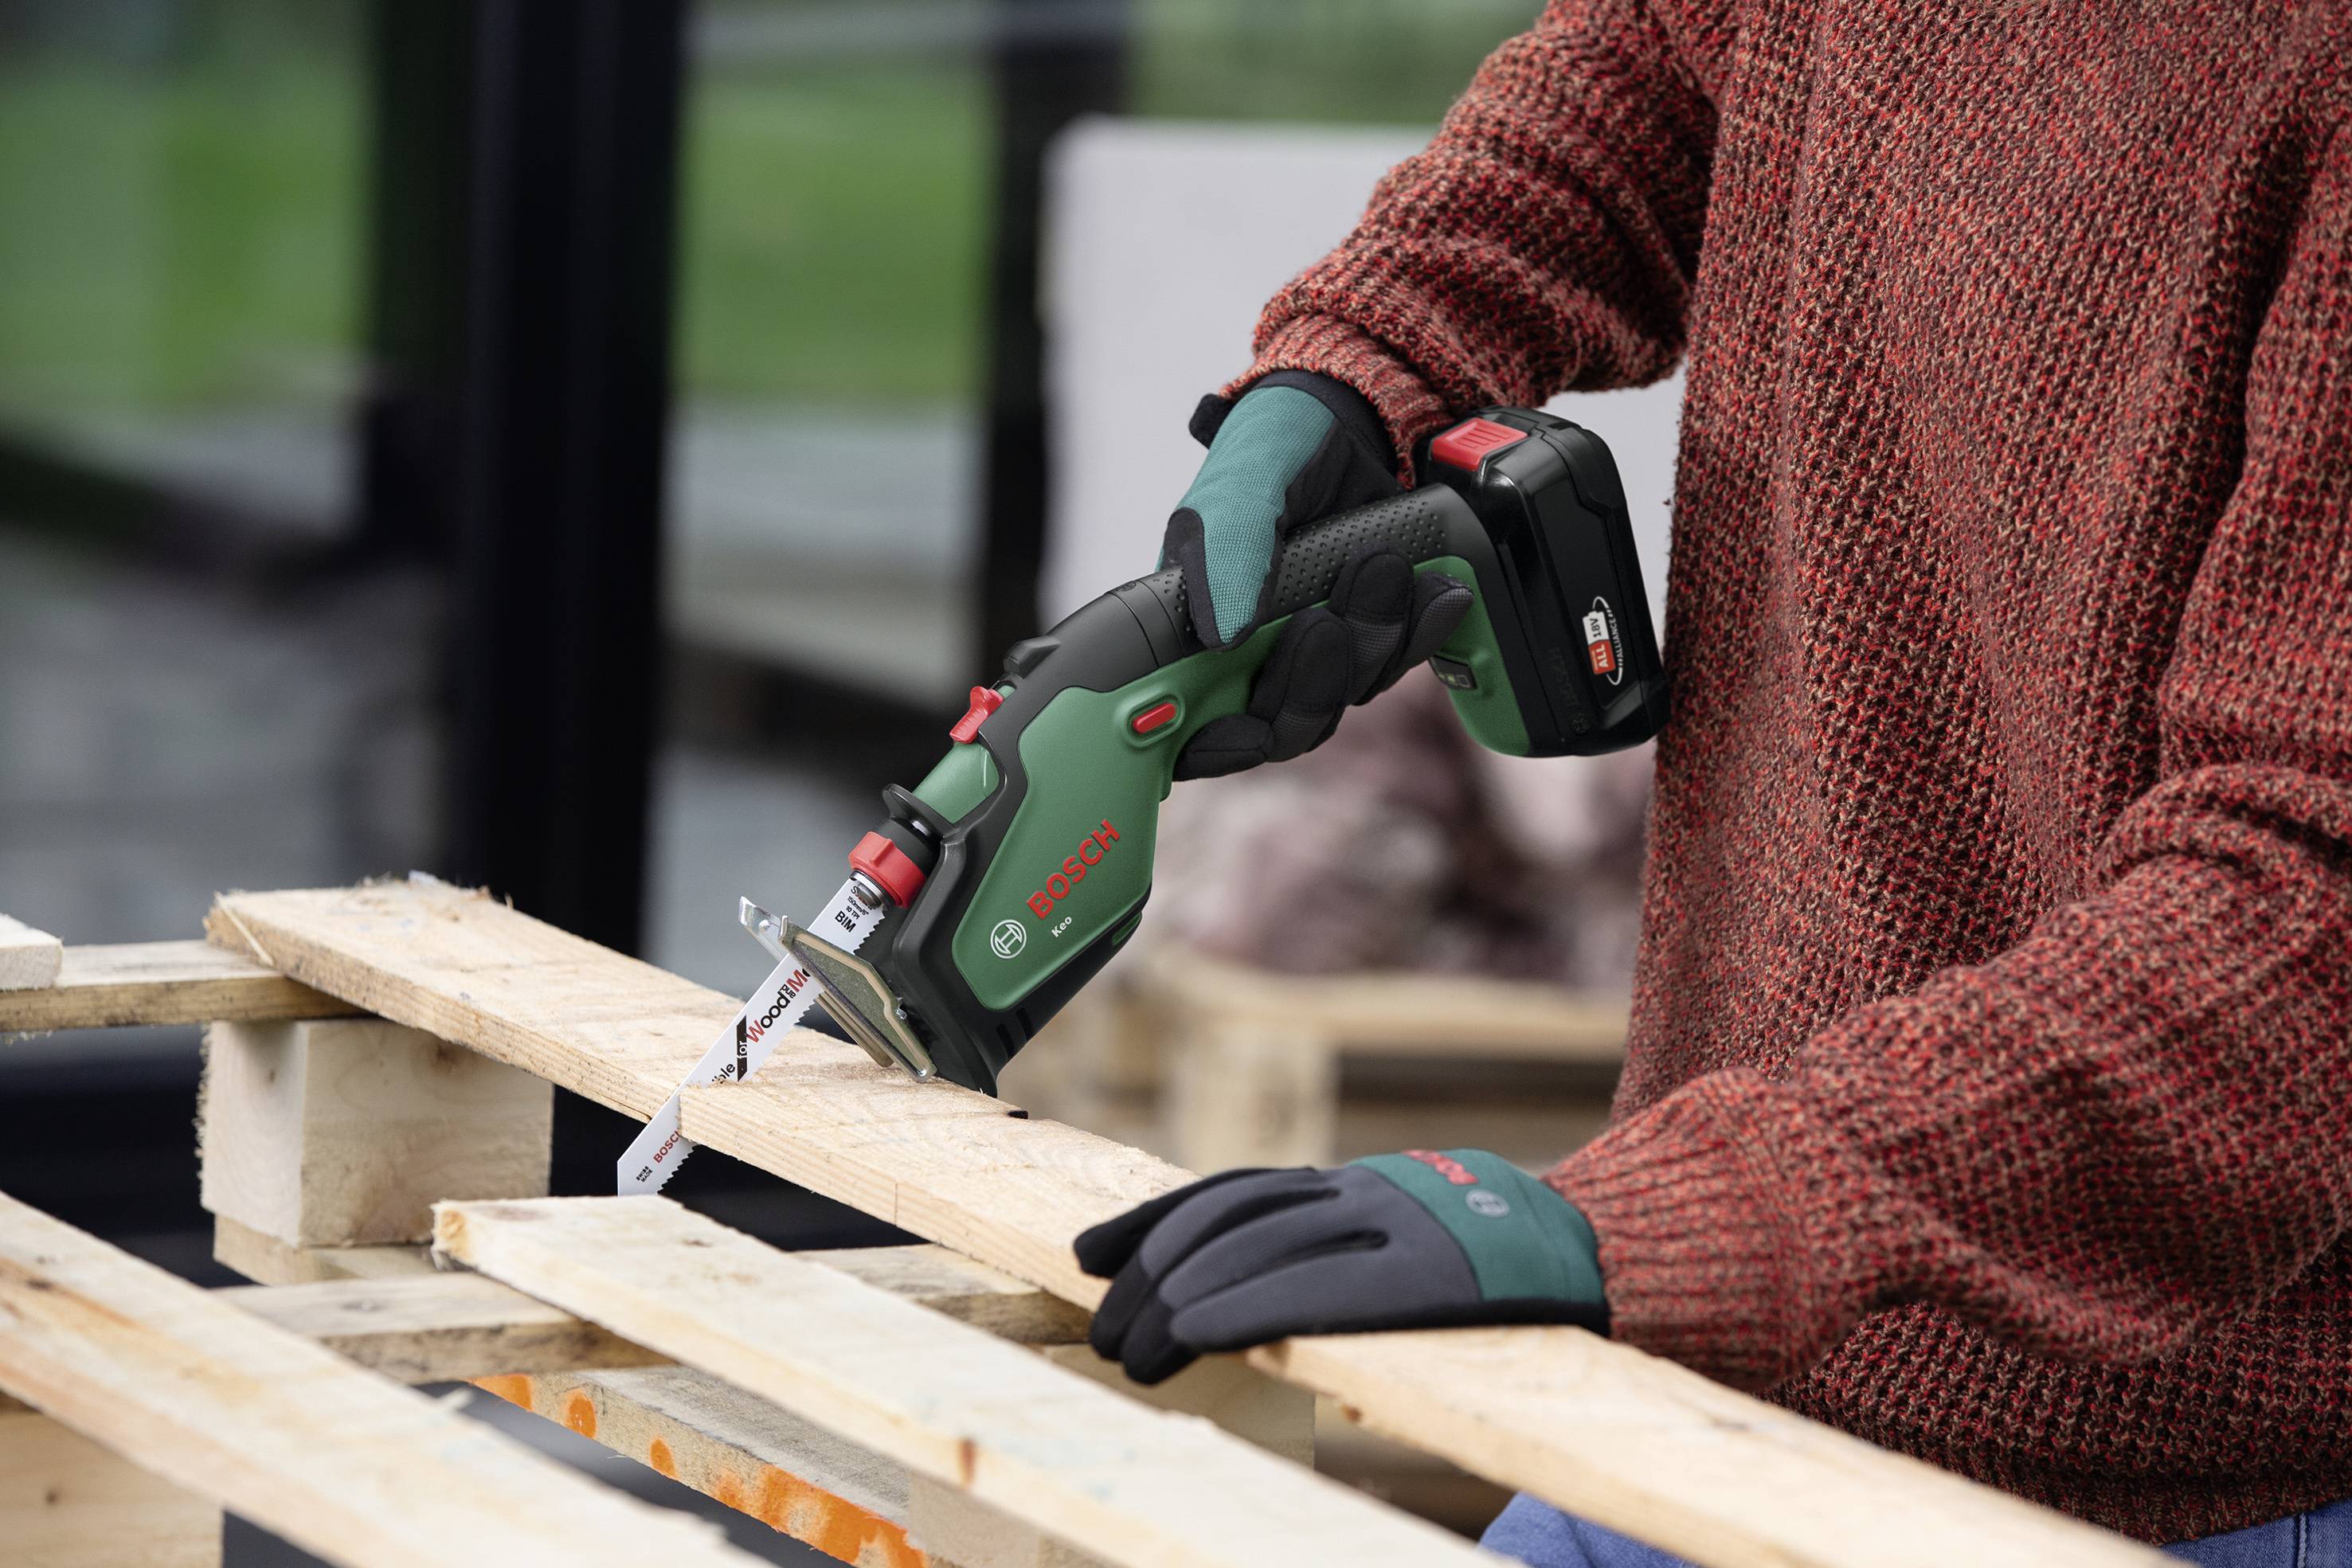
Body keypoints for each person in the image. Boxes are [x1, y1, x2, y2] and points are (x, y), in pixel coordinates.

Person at [1070, 2, 2352, 1563]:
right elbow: (1667, 62)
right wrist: (1374, 357)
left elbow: (2311, 928)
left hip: (2163, 1493)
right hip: (1697, 1397)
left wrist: (1684, 1214)